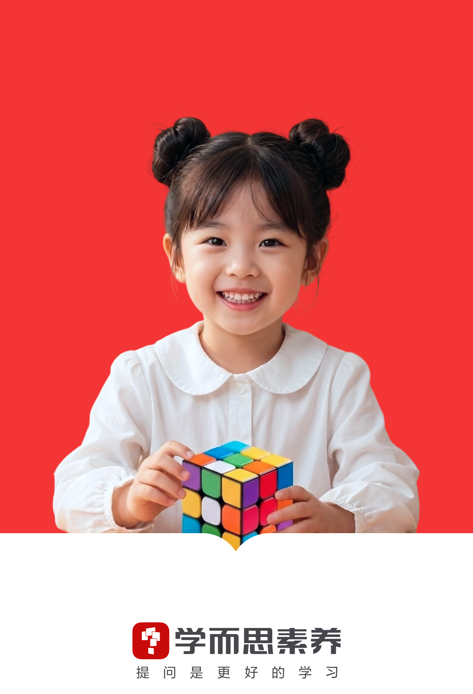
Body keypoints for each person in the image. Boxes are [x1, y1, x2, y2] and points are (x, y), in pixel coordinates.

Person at [54, 117, 419, 534]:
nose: (241, 267)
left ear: (311, 260)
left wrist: (337, 519)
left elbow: (393, 488)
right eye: (215, 240)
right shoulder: (141, 375)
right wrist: (127, 500)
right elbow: (73, 487)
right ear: (176, 257)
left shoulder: (338, 378)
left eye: (271, 242)